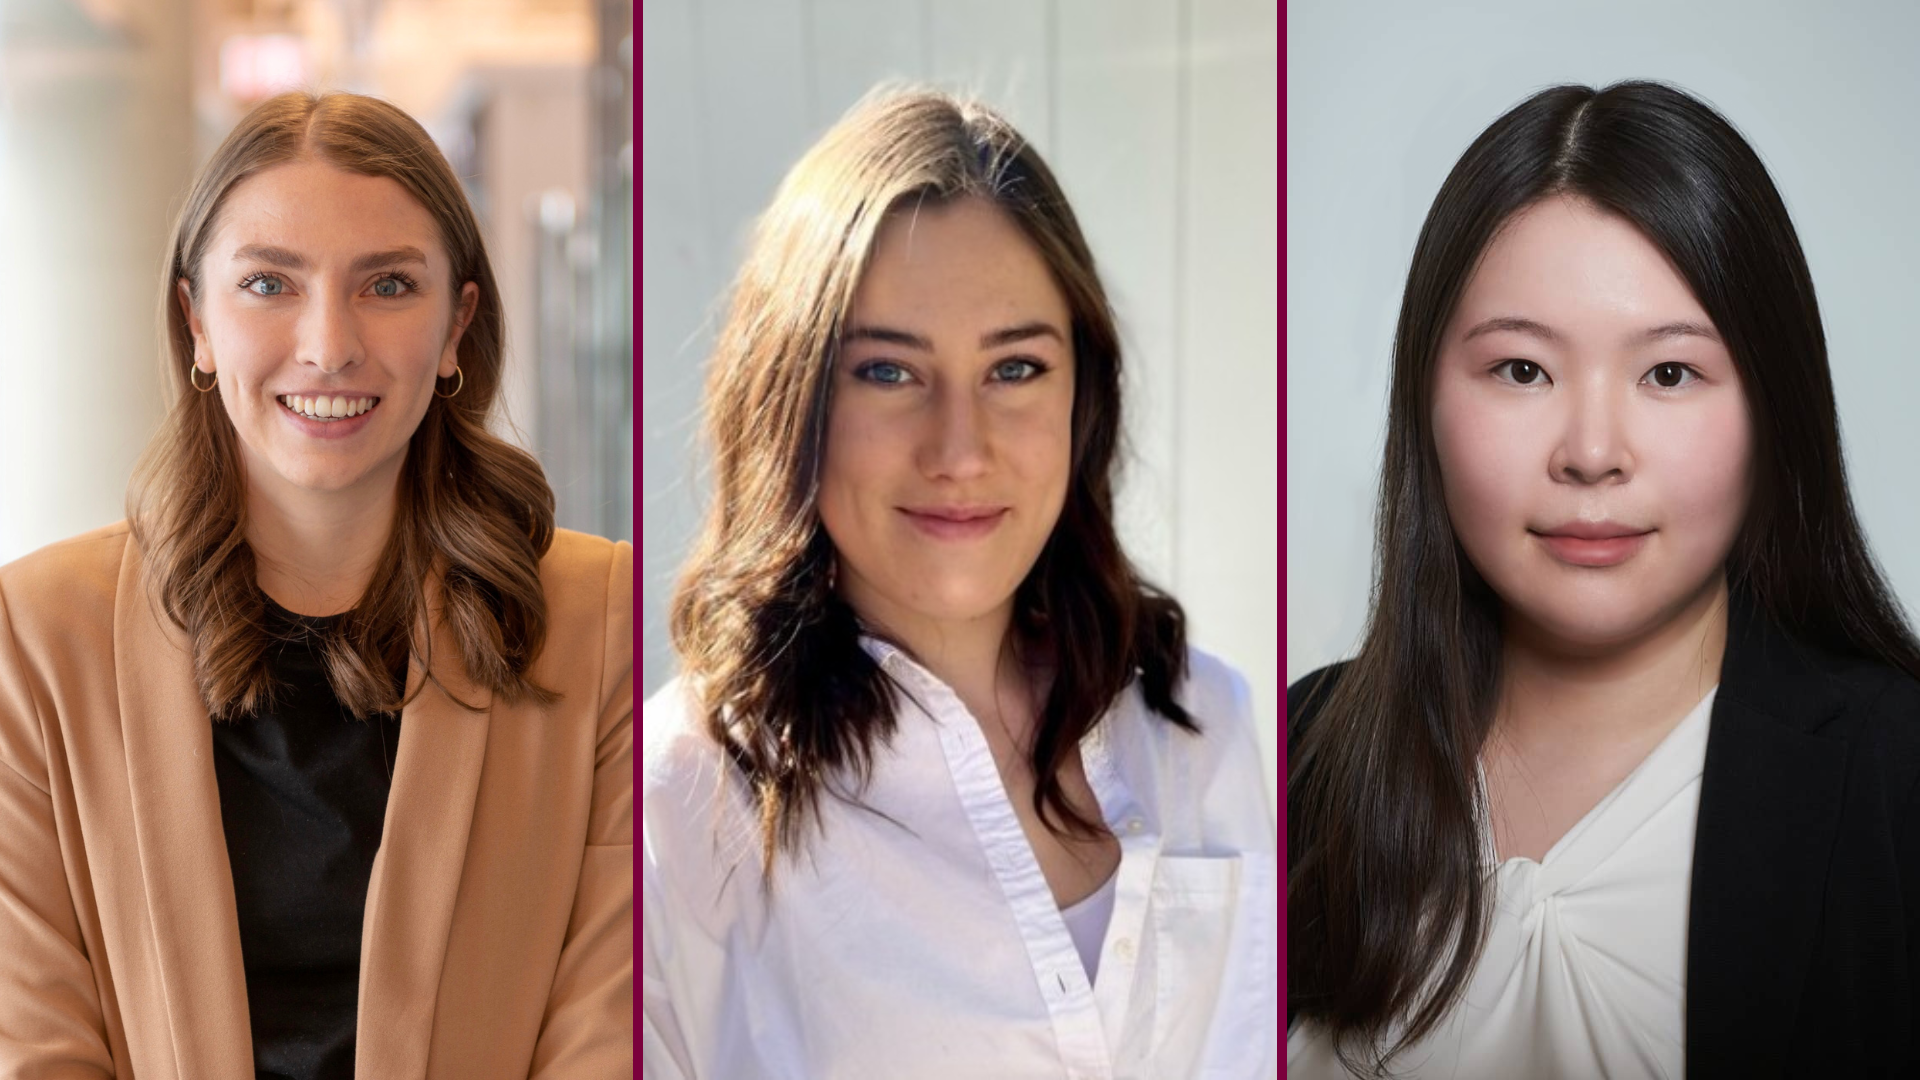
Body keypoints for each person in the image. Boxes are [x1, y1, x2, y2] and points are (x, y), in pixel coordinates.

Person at [1286, 80, 1920, 1079]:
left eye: (1669, 374)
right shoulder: (1294, 756)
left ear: (1773, 410)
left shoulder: (1893, 777)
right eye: (1522, 371)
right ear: (1425, 399)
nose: (1590, 453)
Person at [641, 87, 1278, 1078]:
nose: (959, 448)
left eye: (1015, 368)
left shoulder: (1205, 721)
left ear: (1083, 396)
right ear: (793, 397)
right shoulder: (685, 795)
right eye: (887, 374)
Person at [0, 91, 631, 1078]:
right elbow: (33, 1041)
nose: (329, 344)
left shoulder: (602, 624)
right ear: (194, 320)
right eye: (268, 284)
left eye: (387, 286)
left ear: (458, 322)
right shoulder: (34, 638)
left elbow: (606, 1031)